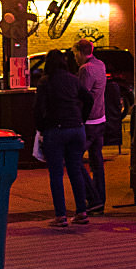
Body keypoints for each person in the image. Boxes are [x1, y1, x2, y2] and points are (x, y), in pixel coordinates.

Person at [34, 49, 92, 228]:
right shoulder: (73, 80)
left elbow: (37, 109)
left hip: (56, 130)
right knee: (75, 169)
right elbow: (89, 98)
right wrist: (81, 118)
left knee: (56, 174)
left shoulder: (45, 82)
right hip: (76, 129)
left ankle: (61, 215)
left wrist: (42, 128)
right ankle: (81, 211)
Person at [72, 39, 106, 215]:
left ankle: (93, 199)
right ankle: (101, 198)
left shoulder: (85, 70)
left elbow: (82, 95)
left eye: (74, 54)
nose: (74, 58)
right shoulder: (100, 65)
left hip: (88, 122)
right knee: (97, 161)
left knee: (75, 159)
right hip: (101, 118)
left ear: (79, 52)